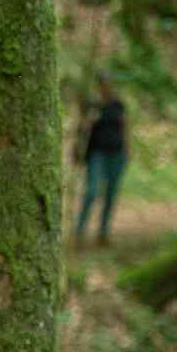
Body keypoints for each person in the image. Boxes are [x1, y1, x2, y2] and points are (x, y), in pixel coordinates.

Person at [76, 79, 130, 246]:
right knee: (91, 191)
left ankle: (103, 233)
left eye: (108, 84)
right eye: (102, 84)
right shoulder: (93, 105)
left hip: (117, 153)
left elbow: (125, 126)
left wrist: (128, 149)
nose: (105, 87)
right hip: (97, 153)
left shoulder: (118, 105)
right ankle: (79, 232)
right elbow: (82, 128)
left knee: (111, 194)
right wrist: (87, 120)